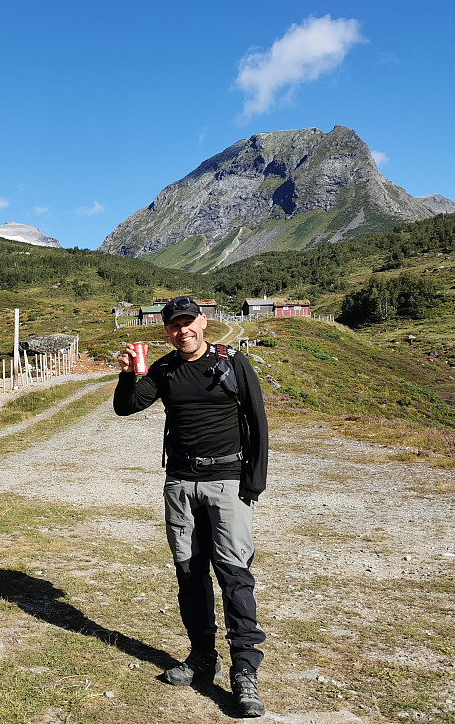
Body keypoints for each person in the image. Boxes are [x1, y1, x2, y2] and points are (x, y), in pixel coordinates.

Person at [113, 296, 269, 717]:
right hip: (180, 483)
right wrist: (128, 376)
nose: (183, 331)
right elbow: (125, 407)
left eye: (189, 322)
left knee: (234, 574)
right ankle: (203, 657)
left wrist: (254, 481)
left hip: (227, 481)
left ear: (204, 322)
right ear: (166, 330)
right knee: (189, 572)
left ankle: (244, 671)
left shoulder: (232, 362)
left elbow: (257, 420)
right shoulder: (163, 369)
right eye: (174, 325)